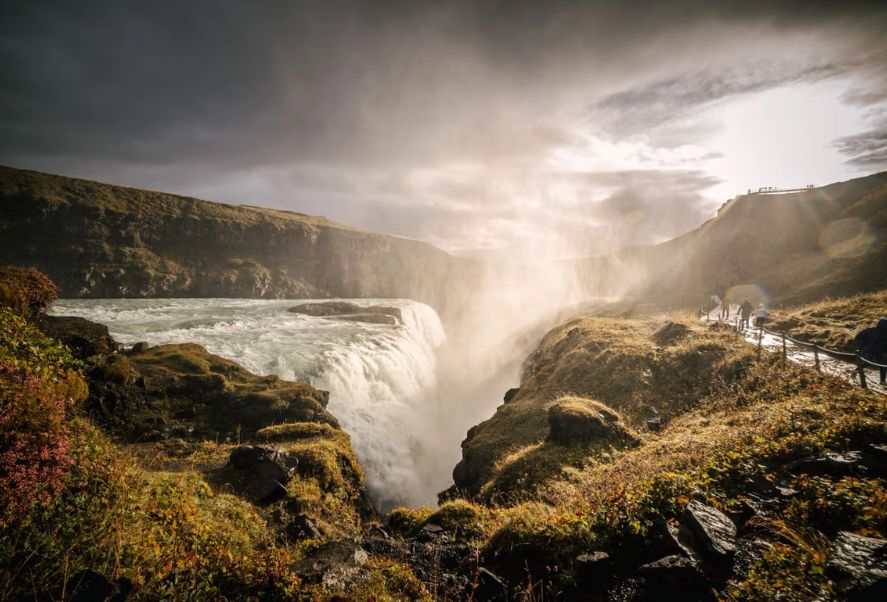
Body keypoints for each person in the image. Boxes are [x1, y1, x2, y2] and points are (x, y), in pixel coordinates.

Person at [855, 318, 887, 385]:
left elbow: (857, 337)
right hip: (869, 350)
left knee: (883, 365)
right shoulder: (870, 331)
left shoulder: (873, 331)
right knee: (867, 363)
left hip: (880, 352)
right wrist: (862, 347)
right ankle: (856, 371)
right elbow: (858, 337)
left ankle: (882, 381)